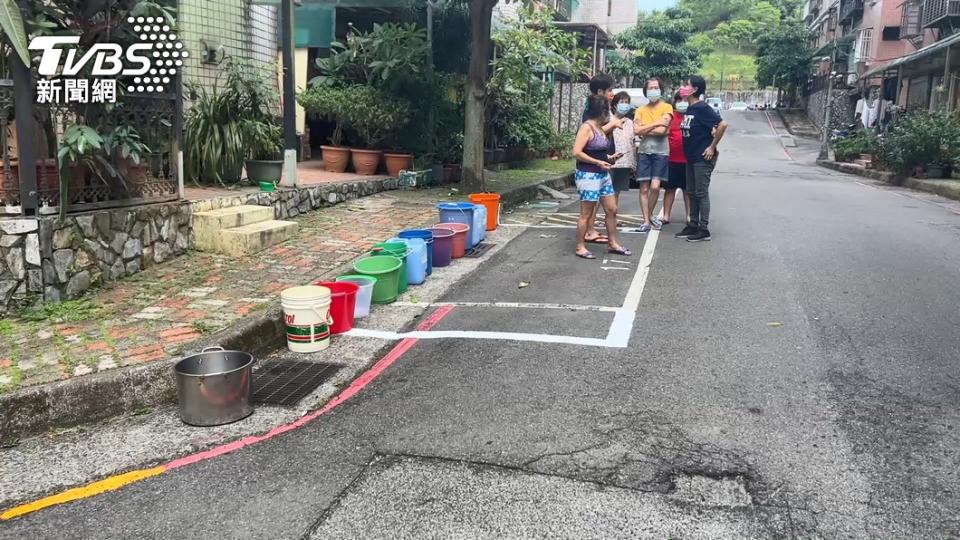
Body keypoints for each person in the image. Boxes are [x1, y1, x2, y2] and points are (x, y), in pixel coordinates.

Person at [572, 95, 631, 259]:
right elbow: (576, 152)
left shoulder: (599, 127)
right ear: (601, 111)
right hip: (588, 175)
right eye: (607, 110)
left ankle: (613, 242)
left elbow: (599, 151)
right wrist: (598, 162)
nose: (609, 114)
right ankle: (580, 246)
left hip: (603, 174)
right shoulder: (587, 127)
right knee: (586, 213)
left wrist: (610, 158)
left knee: (612, 209)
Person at [676, 75, 728, 243]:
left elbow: (722, 124)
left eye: (686, 85)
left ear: (695, 89)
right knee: (691, 191)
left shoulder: (702, 108)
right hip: (690, 157)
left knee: (701, 192)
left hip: (702, 158)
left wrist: (712, 146)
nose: (683, 87)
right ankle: (693, 224)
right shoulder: (690, 109)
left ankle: (703, 229)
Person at [633, 78, 673, 233]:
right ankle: (645, 221)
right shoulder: (640, 110)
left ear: (660, 90)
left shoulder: (667, 107)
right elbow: (637, 131)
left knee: (655, 187)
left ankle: (649, 215)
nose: (654, 90)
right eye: (651, 88)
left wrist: (645, 128)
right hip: (644, 151)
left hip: (661, 152)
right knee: (643, 188)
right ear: (646, 91)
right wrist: (657, 124)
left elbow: (662, 132)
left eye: (656, 87)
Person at [659, 90, 691, 225]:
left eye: (684, 100)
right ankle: (666, 215)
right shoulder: (671, 117)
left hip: (688, 159)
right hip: (671, 159)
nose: (682, 103)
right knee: (670, 189)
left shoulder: (692, 117)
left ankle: (690, 216)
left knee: (688, 190)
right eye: (679, 100)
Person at [608, 92, 636, 203]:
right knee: (605, 192)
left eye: (627, 102)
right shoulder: (608, 120)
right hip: (610, 161)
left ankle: (611, 217)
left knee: (617, 191)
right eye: (622, 102)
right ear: (614, 104)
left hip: (625, 162)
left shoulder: (630, 122)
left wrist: (633, 164)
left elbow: (632, 142)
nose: (624, 105)